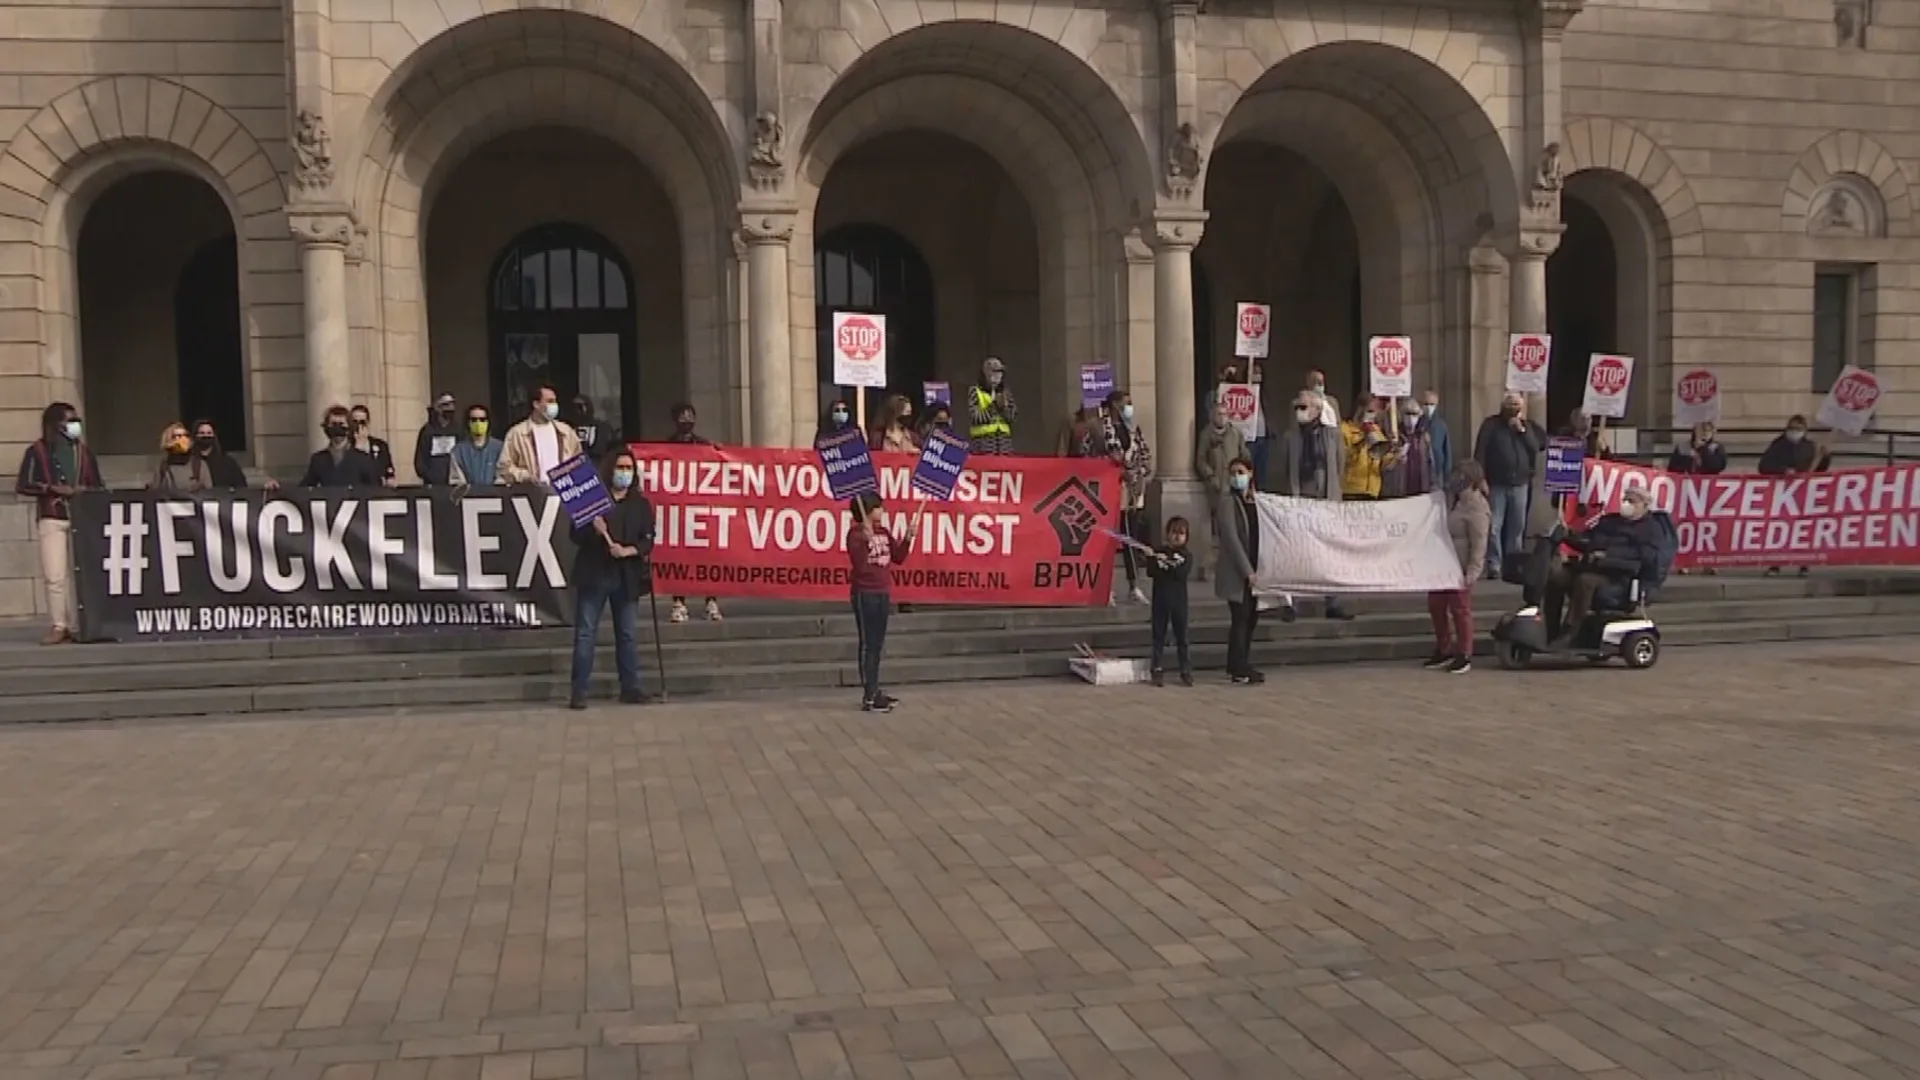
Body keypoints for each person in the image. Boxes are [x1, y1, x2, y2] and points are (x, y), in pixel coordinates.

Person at [567, 447, 655, 710]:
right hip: (595, 574)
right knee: (586, 633)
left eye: (629, 469)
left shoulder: (640, 504)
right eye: (621, 468)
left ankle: (630, 687)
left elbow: (648, 540)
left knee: (627, 634)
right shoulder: (594, 500)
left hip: (626, 576)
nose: (624, 473)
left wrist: (628, 551)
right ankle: (579, 690)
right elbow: (575, 536)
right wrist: (592, 530)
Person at [14, 402, 101, 644]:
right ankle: (58, 624)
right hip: (52, 516)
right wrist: (51, 488)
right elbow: (23, 484)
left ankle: (76, 624)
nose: (75, 425)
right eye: (69, 421)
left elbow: (99, 485)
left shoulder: (84, 452)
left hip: (80, 517)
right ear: (56, 424)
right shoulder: (37, 451)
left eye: (76, 421)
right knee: (55, 575)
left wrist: (85, 490)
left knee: (78, 575)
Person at [1269, 389, 1353, 621]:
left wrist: (1332, 491)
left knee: (1330, 553)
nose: (1299, 412)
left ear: (1317, 410)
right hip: (1301, 500)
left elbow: (1339, 464)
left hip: (1325, 499)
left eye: (1304, 407)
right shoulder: (1290, 437)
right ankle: (1292, 603)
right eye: (1297, 407)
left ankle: (1333, 602)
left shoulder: (1331, 435)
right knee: (1298, 553)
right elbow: (1285, 469)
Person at [1545, 484, 1663, 645]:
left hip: (1619, 577)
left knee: (1585, 581)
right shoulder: (1610, 521)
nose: (1627, 503)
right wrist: (1569, 535)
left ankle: (1570, 631)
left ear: (1645, 505)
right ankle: (1549, 628)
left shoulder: (1650, 529)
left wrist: (1608, 555)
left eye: (1632, 501)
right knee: (1556, 576)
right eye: (1625, 499)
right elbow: (1589, 540)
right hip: (1592, 566)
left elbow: (1645, 557)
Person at [848, 491, 919, 713]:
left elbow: (897, 557)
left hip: (883, 592)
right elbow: (859, 565)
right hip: (865, 593)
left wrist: (908, 538)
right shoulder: (856, 535)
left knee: (877, 645)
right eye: (879, 507)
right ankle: (869, 695)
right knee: (868, 644)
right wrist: (866, 543)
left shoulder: (883, 532)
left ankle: (875, 689)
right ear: (868, 511)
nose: (882, 510)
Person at [1473, 391, 1545, 579]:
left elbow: (1537, 447)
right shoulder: (1491, 425)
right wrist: (1481, 479)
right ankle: (1495, 564)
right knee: (1494, 526)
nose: (1513, 408)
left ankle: (1514, 565)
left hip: (1520, 483)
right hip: (1497, 482)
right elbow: (1480, 452)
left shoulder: (1528, 426)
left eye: (1516, 405)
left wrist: (1522, 431)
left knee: (1517, 526)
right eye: (1510, 405)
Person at [1427, 461, 1489, 674]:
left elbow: (1479, 542)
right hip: (1442, 563)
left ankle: (1464, 653)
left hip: (1459, 566)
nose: (1455, 479)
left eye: (1459, 475)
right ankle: (1443, 647)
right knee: (1436, 604)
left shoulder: (1477, 507)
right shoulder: (1454, 501)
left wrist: (1472, 571)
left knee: (1460, 609)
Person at [664, 402, 723, 624]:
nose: (686, 420)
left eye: (690, 416)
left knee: (707, 557)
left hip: (702, 508)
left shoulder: (703, 444)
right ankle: (679, 603)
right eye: (682, 416)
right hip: (679, 510)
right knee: (680, 556)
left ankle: (711, 601)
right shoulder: (667, 446)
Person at [1094, 390, 1154, 605]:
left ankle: (1134, 585)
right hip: (1111, 491)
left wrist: (1143, 469)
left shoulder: (1132, 428)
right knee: (1108, 540)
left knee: (1131, 537)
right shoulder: (1101, 428)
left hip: (1132, 492)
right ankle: (1106, 587)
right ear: (1114, 405)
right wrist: (1121, 469)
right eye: (1125, 403)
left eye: (1130, 403)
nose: (1129, 407)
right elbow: (1104, 455)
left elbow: (1144, 452)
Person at [1215, 456, 1264, 683]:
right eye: (1233, 472)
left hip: (1256, 566)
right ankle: (1238, 667)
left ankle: (1239, 662)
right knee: (1240, 617)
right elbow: (1231, 538)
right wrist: (1247, 571)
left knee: (1251, 617)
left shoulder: (1257, 501)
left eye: (1241, 472)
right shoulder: (1227, 502)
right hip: (1238, 571)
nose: (1237, 477)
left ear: (1251, 473)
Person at [1758, 415, 1826, 577]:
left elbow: (1819, 469)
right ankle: (1775, 564)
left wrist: (1825, 456)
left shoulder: (1810, 447)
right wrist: (1783, 470)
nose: (1795, 432)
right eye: (1792, 428)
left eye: (1798, 429)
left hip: (1803, 495)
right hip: (1781, 494)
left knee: (1803, 530)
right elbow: (1763, 466)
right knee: (1779, 530)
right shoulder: (1778, 445)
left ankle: (1804, 564)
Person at [498, 384, 583, 486]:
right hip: (532, 495)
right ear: (536, 404)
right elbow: (504, 468)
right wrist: (526, 477)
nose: (554, 405)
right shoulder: (518, 434)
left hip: (564, 494)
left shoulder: (566, 431)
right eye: (550, 401)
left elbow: (579, 461)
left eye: (555, 401)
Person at [1147, 516, 1194, 687]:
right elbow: (1151, 572)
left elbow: (1180, 573)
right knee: (1158, 636)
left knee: (1182, 637)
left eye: (1181, 533)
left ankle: (1185, 670)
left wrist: (1165, 561)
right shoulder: (1158, 551)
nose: (1177, 536)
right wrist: (1152, 558)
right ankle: (1157, 669)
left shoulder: (1187, 556)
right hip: (1160, 600)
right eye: (1173, 532)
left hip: (1179, 603)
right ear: (1167, 534)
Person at [302, 405, 384, 487]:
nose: (337, 428)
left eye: (341, 424)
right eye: (333, 424)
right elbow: (305, 487)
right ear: (327, 427)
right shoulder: (318, 459)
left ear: (349, 427)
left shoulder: (363, 458)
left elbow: (375, 487)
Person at [1194, 396, 1249, 513]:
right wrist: (1210, 476)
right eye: (1219, 414)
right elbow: (1201, 460)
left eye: (1225, 414)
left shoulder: (1236, 434)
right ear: (1213, 416)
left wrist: (1244, 474)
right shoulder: (1206, 435)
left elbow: (1244, 456)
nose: (1222, 417)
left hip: (1235, 483)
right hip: (1217, 485)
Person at [1340, 395, 1398, 500]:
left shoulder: (1375, 429)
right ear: (1359, 410)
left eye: (1374, 412)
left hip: (1373, 491)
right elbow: (1343, 458)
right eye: (1369, 411)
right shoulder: (1345, 429)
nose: (1372, 415)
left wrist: (1395, 456)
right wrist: (1361, 443)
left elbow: (1383, 461)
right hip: (1351, 491)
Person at [188, 419, 265, 490]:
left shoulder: (228, 463)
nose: (205, 436)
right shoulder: (188, 462)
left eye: (209, 433)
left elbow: (241, 486)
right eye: (202, 433)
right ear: (195, 436)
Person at [968, 357, 1016, 454]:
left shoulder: (1006, 392)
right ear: (986, 374)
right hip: (983, 445)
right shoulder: (975, 391)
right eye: (994, 372)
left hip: (1004, 445)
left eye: (1000, 373)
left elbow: (1013, 418)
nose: (998, 376)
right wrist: (993, 406)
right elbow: (975, 418)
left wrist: (1003, 408)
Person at [449, 403, 503, 487]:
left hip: (494, 497)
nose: (478, 423)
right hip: (468, 498)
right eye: (474, 420)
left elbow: (502, 477)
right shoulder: (458, 451)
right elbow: (456, 481)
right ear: (468, 423)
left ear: (488, 422)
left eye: (482, 419)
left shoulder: (500, 448)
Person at [414, 392, 461, 486]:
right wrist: (427, 475)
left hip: (454, 482)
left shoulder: (458, 429)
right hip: (432, 483)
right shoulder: (427, 430)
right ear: (438, 408)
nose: (450, 408)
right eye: (446, 405)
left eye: (452, 404)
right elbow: (420, 458)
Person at [347, 403, 397, 485]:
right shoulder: (346, 446)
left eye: (362, 422)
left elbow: (388, 470)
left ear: (368, 423)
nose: (359, 426)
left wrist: (390, 479)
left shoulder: (380, 445)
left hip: (376, 491)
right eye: (355, 422)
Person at [569, 395, 617, 463]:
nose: (581, 410)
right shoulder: (566, 429)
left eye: (583, 406)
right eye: (576, 407)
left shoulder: (603, 427)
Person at [150, 423, 196, 491]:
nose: (183, 439)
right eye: (178, 436)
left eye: (185, 435)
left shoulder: (198, 464)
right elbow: (155, 490)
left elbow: (209, 492)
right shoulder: (163, 466)